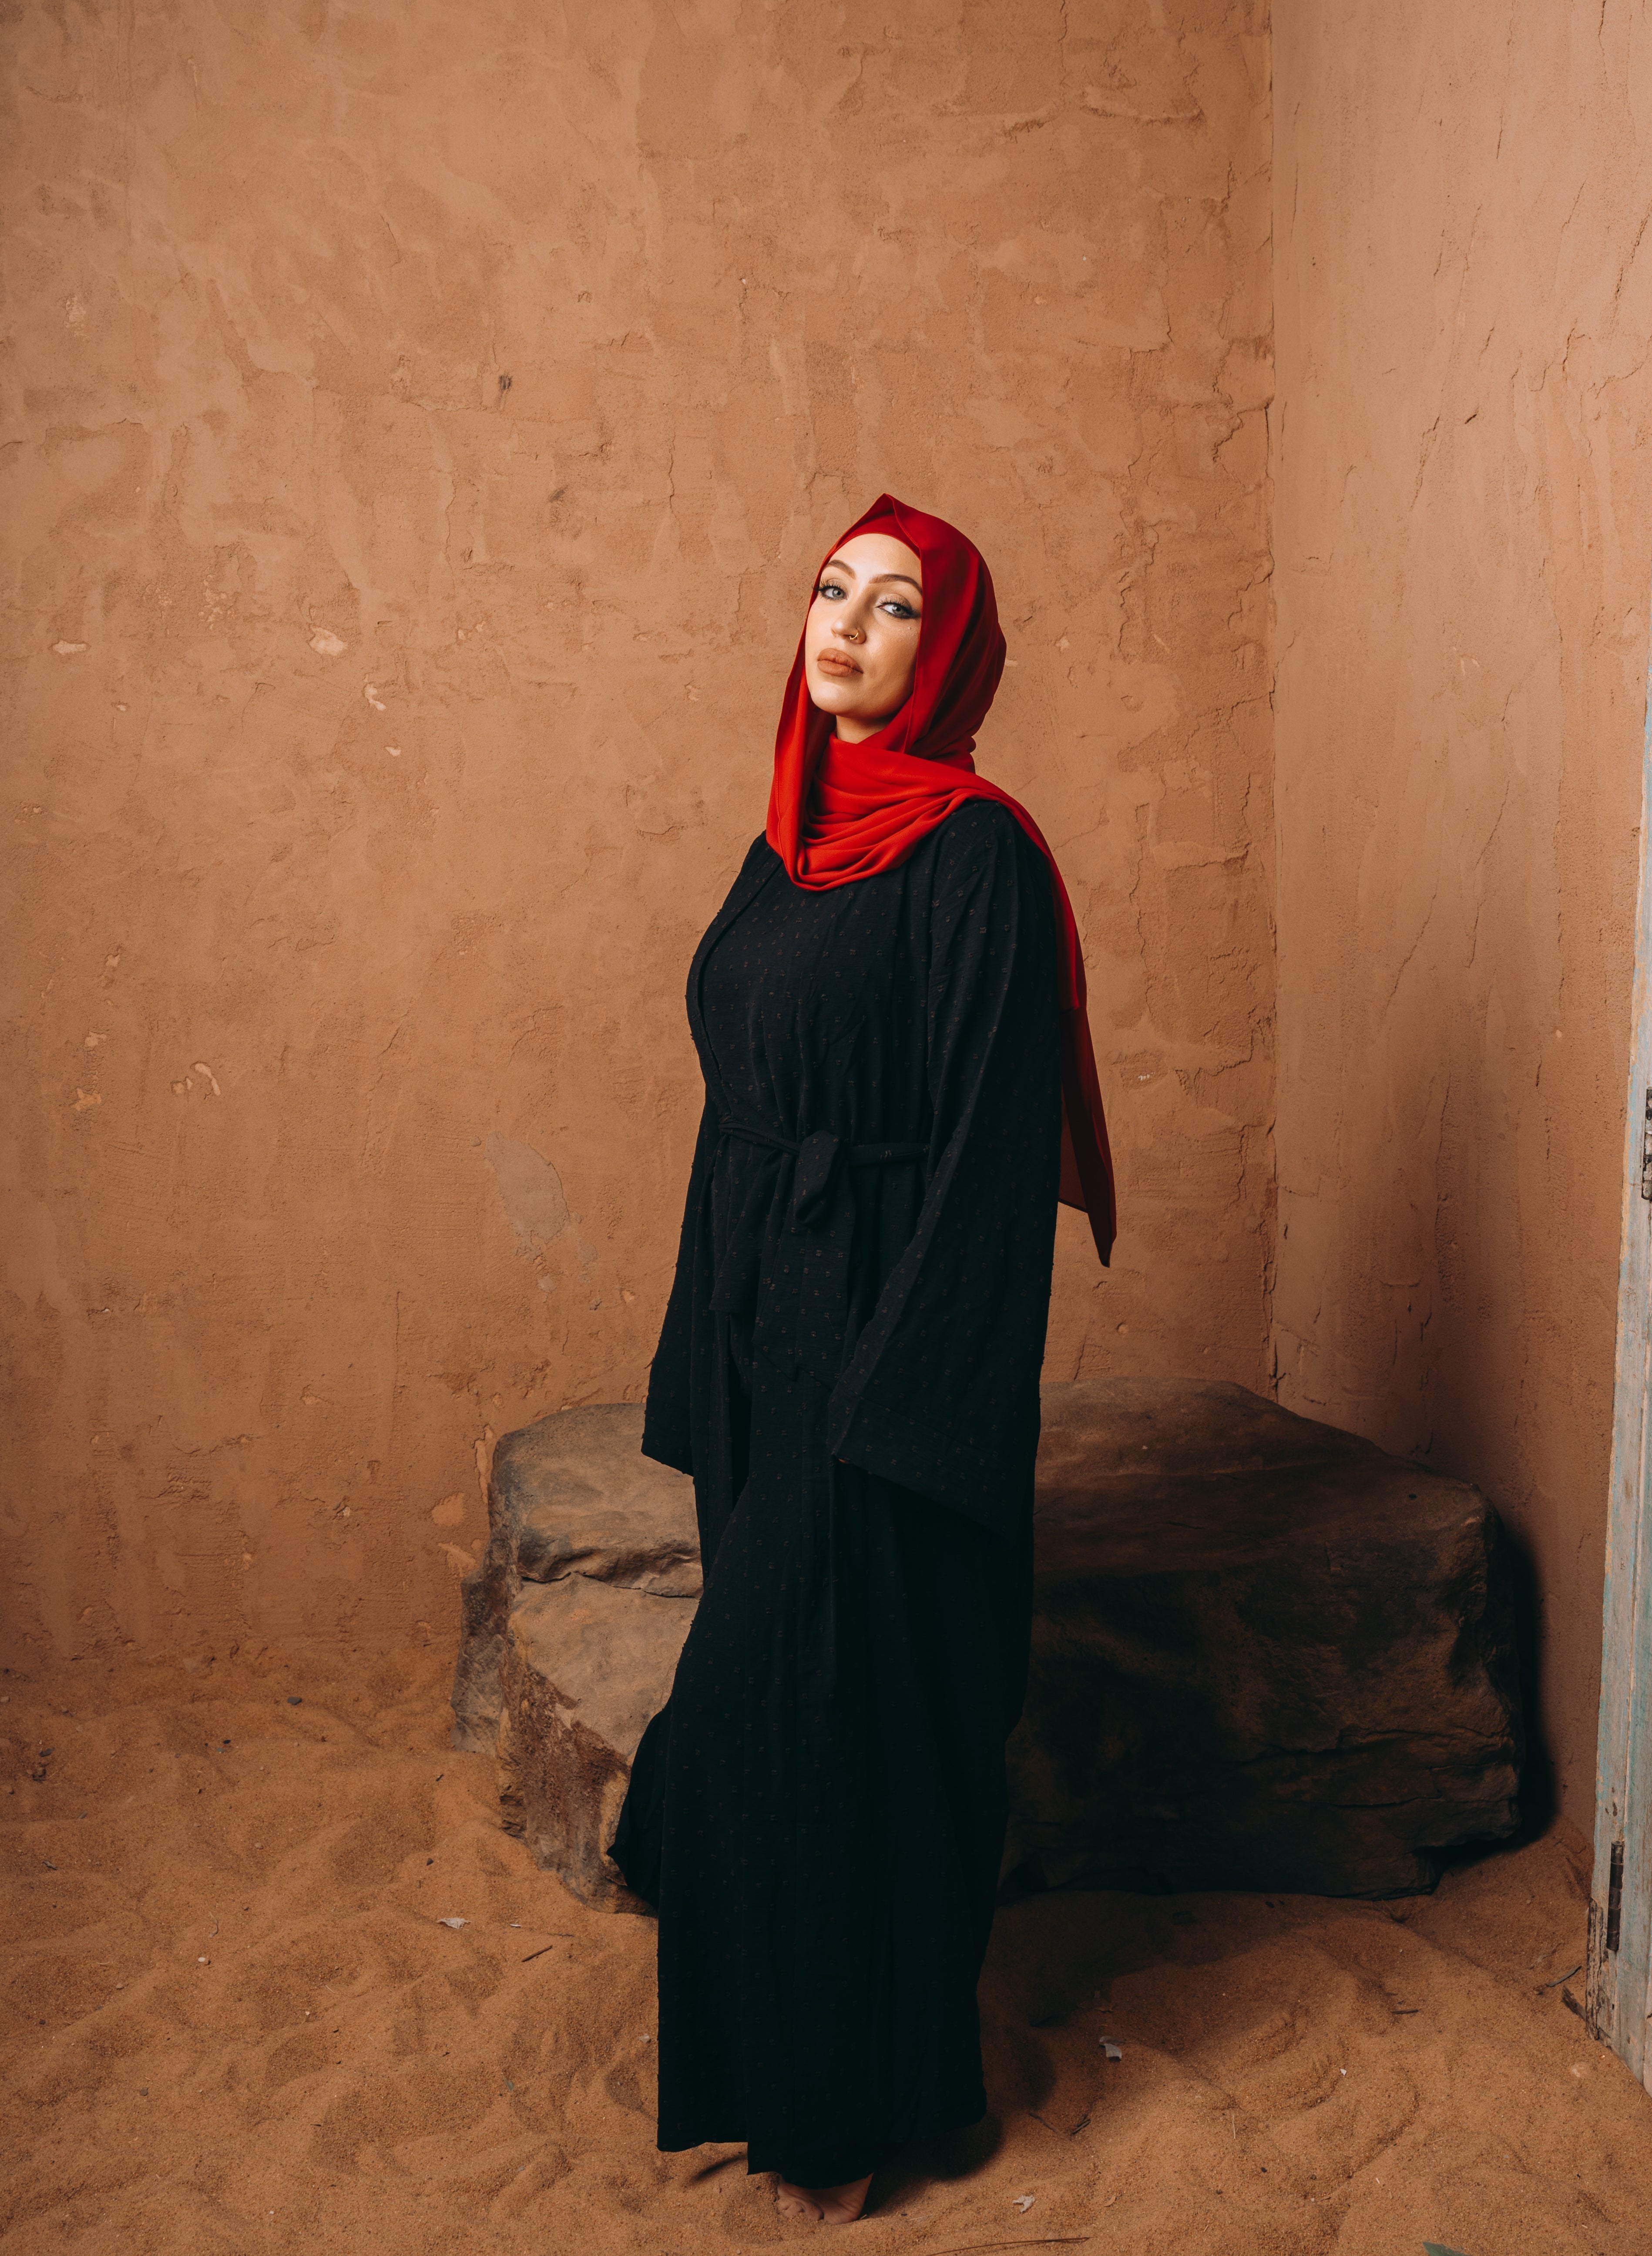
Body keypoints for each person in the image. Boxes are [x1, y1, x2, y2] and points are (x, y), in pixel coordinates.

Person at [611, 493, 1115, 2224]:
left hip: (879, 1338)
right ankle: (776, 2052)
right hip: (760, 1319)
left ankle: (849, 2105)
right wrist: (710, 1339)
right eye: (832, 590)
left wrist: (903, 1404)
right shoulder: (790, 841)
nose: (846, 625)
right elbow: (737, 1109)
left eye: (896, 606)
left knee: (814, 1705)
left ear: (948, 651)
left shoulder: (974, 854)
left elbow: (989, 1156)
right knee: (800, 1713)